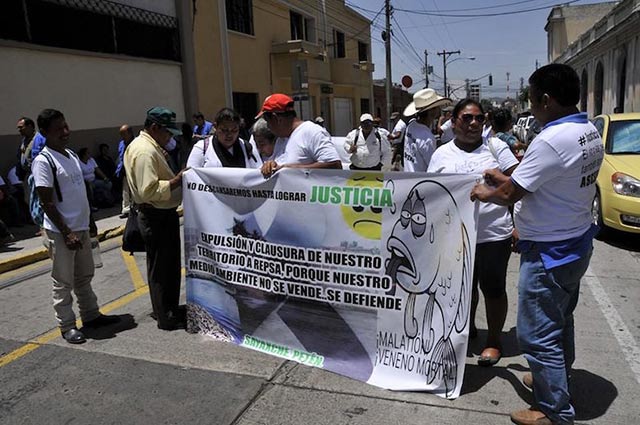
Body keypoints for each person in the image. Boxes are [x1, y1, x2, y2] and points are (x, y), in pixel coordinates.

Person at [470, 63, 604, 425]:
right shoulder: (587, 130)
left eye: (531, 99)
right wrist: (503, 175)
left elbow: (511, 194)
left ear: (545, 99)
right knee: (561, 321)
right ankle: (556, 378)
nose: (530, 106)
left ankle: (553, 410)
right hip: (575, 243)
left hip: (549, 253)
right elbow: (548, 176)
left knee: (536, 334)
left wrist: (485, 191)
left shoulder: (550, 139)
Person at [429, 98, 518, 367]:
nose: (473, 123)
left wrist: (518, 225)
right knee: (463, 288)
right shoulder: (441, 154)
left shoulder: (496, 148)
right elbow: (431, 193)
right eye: (467, 118)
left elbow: (520, 184)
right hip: (455, 235)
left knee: (493, 288)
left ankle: (493, 340)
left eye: (479, 118)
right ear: (453, 122)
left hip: (493, 233)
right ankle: (466, 329)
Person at [32, 109, 119, 344]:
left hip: (80, 227)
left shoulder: (70, 155)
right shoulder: (44, 161)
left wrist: (90, 221)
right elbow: (47, 202)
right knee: (63, 281)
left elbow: (81, 192)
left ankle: (91, 316)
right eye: (58, 128)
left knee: (84, 276)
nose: (65, 132)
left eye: (65, 126)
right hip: (62, 232)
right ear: (45, 132)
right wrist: (67, 232)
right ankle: (67, 325)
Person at [124, 107, 187, 331]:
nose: (169, 137)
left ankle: (168, 308)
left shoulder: (150, 147)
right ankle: (166, 316)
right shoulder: (144, 151)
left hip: (162, 214)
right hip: (156, 214)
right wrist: (176, 181)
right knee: (162, 268)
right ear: (154, 128)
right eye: (167, 132)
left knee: (168, 266)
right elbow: (147, 190)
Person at [257, 93, 342, 178]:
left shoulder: (311, 132)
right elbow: (280, 165)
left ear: (277, 119)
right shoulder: (281, 139)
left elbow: (335, 165)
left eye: (267, 121)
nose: (268, 126)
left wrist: (288, 169)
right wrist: (271, 165)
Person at [187, 108, 261, 169]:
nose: (229, 135)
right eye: (224, 130)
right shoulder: (202, 148)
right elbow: (191, 175)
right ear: (215, 127)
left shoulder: (246, 147)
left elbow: (258, 171)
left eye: (234, 130)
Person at [403, 88, 451, 172]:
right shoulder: (427, 138)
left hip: (408, 177)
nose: (439, 109)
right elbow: (433, 166)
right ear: (432, 111)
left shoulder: (411, 125)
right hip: (420, 181)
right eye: (437, 107)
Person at [115, 125, 135, 218]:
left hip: (134, 168)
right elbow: (120, 157)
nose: (122, 136)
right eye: (121, 134)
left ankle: (135, 207)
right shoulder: (121, 143)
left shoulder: (136, 143)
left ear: (130, 133)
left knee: (135, 189)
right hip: (124, 169)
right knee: (126, 190)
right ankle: (126, 209)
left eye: (124, 133)